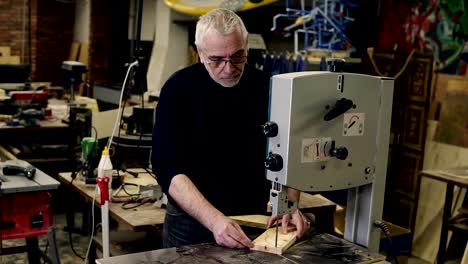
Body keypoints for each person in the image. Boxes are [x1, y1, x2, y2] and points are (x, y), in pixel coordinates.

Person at [152, 8, 309, 249]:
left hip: (253, 217)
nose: (229, 68)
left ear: (247, 48)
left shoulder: (267, 87)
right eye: (217, 59)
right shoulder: (178, 89)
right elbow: (167, 168)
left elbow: (289, 148)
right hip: (191, 221)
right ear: (200, 54)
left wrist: (288, 205)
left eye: (238, 56)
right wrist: (214, 220)